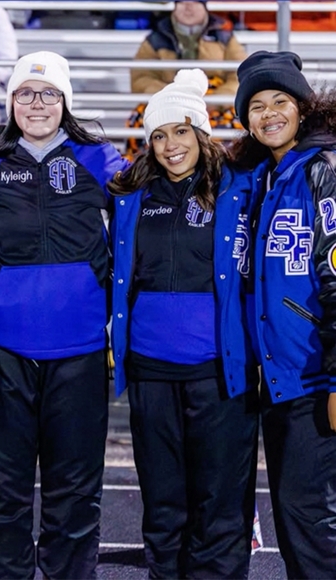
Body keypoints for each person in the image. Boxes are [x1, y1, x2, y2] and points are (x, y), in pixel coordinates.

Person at [0, 51, 128, 579]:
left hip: (78, 354)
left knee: (73, 493)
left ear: (65, 101)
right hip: (4, 356)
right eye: (26, 93)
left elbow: (155, 213)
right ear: (10, 102)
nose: (37, 103)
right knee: (0, 491)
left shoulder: (100, 161)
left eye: (49, 93)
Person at [108, 69, 259, 578]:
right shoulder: (130, 194)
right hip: (151, 373)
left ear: (200, 132)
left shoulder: (240, 190)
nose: (169, 145)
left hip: (220, 372)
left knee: (219, 501)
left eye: (179, 131)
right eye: (158, 135)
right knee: (163, 499)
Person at [229, 50, 336, 578]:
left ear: (303, 107)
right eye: (256, 106)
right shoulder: (264, 178)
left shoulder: (323, 171)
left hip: (316, 378)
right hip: (279, 380)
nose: (269, 113)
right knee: (299, 521)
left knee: (311, 522)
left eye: (280, 101)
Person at [126, 0, 247, 158]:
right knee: (140, 120)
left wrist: (214, 101)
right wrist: (170, 97)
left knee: (234, 125)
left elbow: (239, 75)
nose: (188, 7)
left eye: (195, 2)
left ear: (204, 6)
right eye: (182, 2)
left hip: (213, 106)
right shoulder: (155, 39)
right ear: (175, 6)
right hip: (167, 103)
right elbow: (141, 77)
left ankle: (222, 169)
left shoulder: (224, 37)